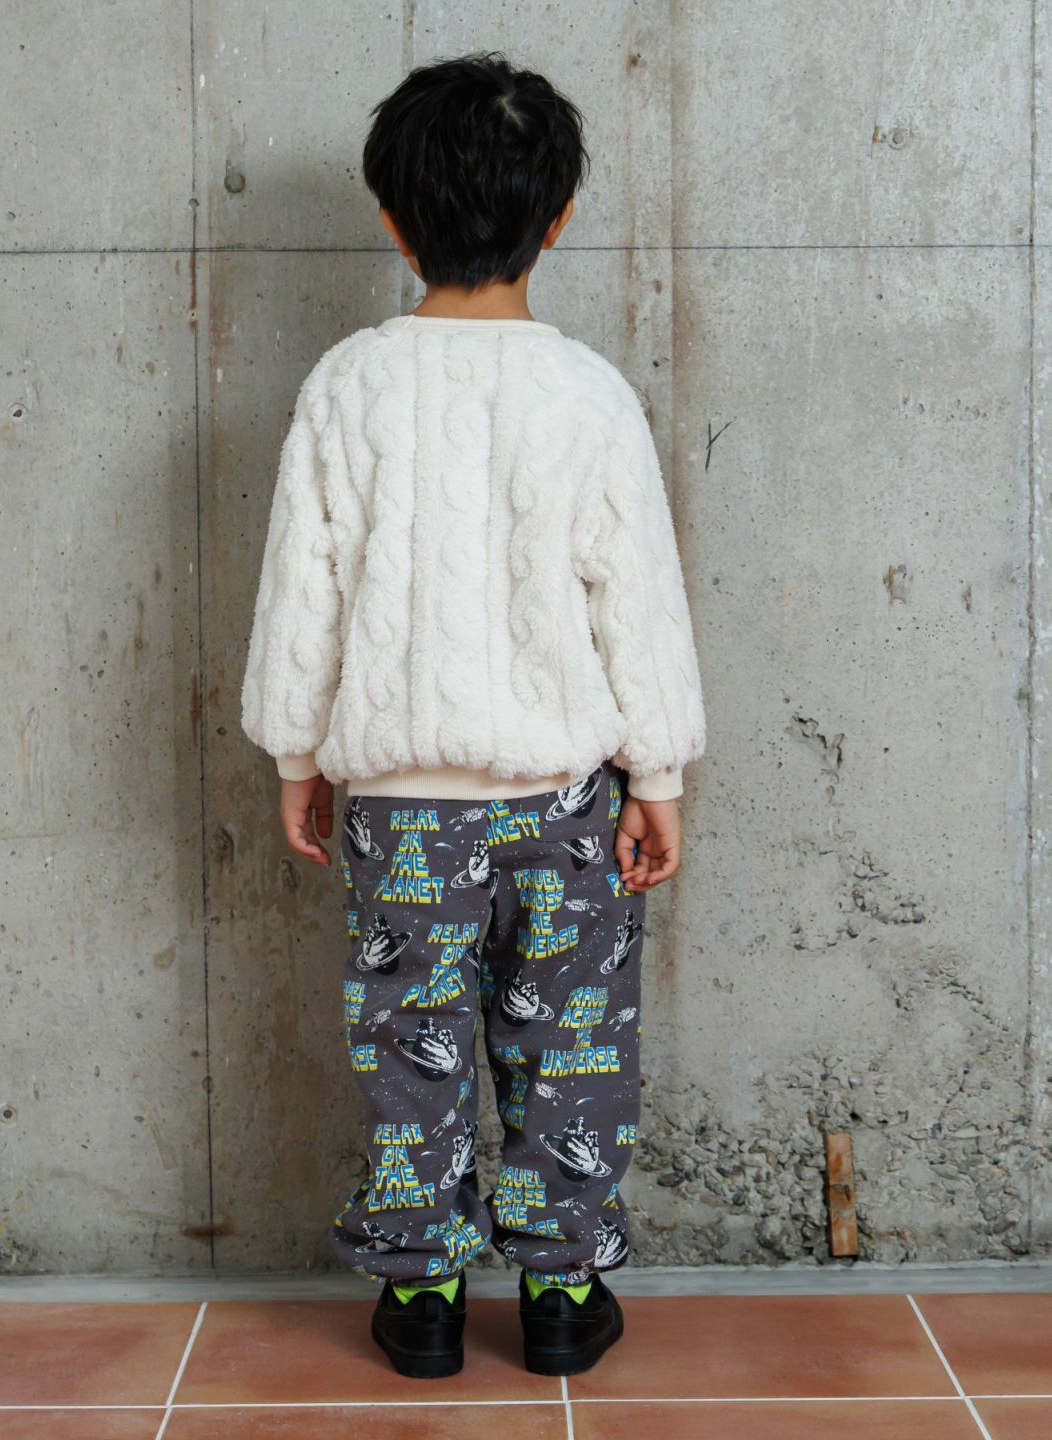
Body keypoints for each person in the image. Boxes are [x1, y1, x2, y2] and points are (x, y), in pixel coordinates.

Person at [240, 49, 707, 1380]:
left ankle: (423, 1300)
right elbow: (638, 601)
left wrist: (298, 754)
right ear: (558, 219)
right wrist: (657, 776)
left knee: (412, 1051)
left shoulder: (348, 386)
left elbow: (307, 590)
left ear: (395, 223)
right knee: (572, 1048)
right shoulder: (589, 393)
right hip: (563, 803)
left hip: (401, 812)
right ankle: (560, 1295)